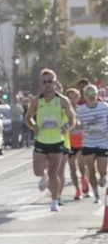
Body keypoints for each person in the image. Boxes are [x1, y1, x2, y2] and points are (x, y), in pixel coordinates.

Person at [26, 69, 75, 212]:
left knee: (54, 173)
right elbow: (28, 118)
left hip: (56, 140)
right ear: (41, 84)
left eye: (50, 81)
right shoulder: (37, 100)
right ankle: (43, 176)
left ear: (55, 82)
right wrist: (33, 126)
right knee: (37, 170)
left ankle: (54, 201)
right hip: (41, 140)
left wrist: (66, 127)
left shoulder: (62, 100)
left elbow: (72, 118)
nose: (47, 84)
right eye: (44, 82)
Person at [77, 84, 108, 204]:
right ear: (84, 96)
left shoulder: (105, 107)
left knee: (102, 170)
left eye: (93, 93)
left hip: (103, 143)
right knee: (90, 170)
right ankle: (96, 195)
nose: (91, 96)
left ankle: (103, 176)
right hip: (88, 143)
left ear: (97, 95)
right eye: (88, 94)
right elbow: (75, 122)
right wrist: (77, 125)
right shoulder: (80, 110)